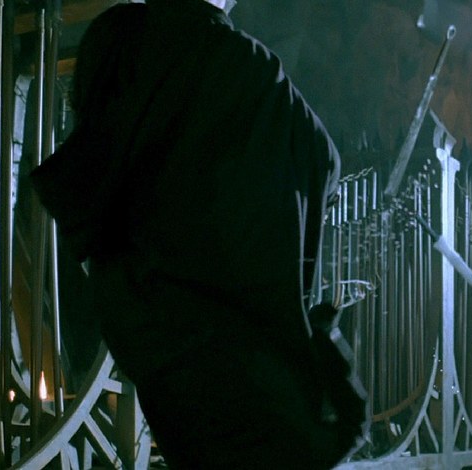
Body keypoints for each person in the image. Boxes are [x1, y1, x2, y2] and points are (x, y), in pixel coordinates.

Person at [29, 0, 368, 468]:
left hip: (159, 335)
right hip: (246, 353)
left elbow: (90, 173)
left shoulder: (126, 42)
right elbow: (325, 160)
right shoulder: (255, 70)